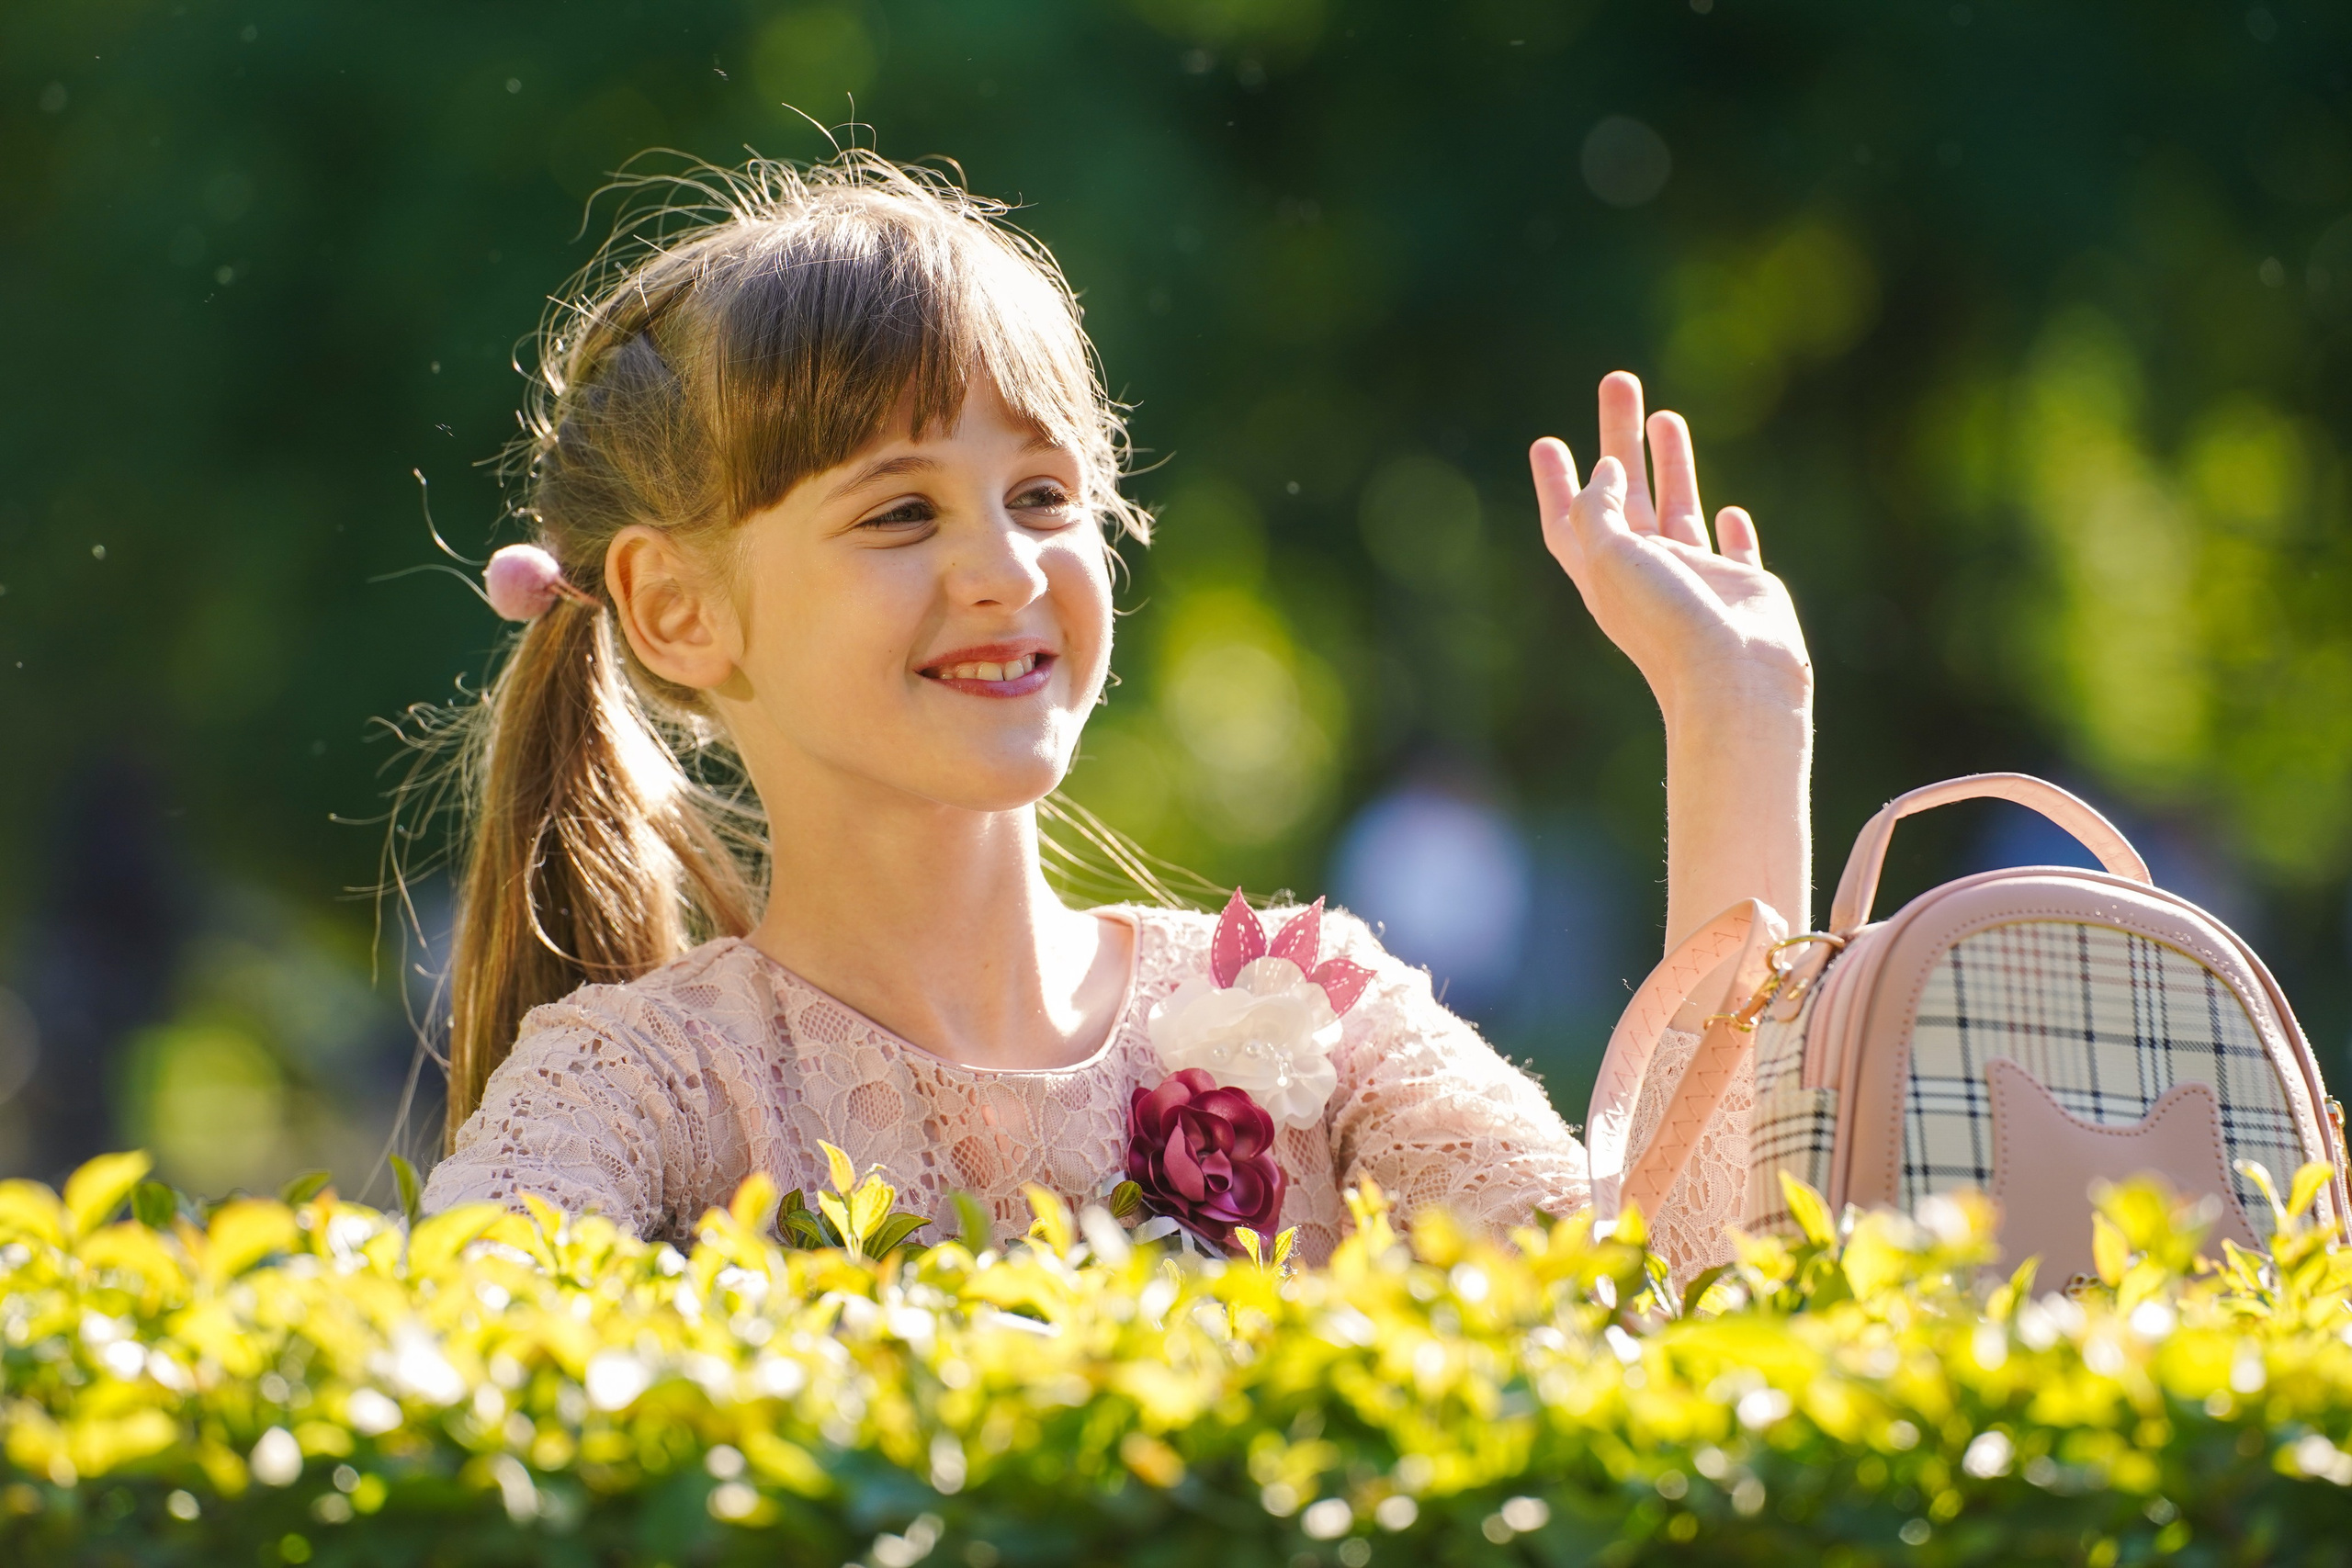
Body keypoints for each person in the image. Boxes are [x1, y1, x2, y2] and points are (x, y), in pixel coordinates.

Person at [419, 153, 1813, 1265]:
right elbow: (462, 1379)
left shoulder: (1316, 1013)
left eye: (1043, 497)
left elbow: (1669, 1317)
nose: (1008, 571)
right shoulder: (645, 1079)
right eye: (902, 511)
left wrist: (1736, 724)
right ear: (677, 609)